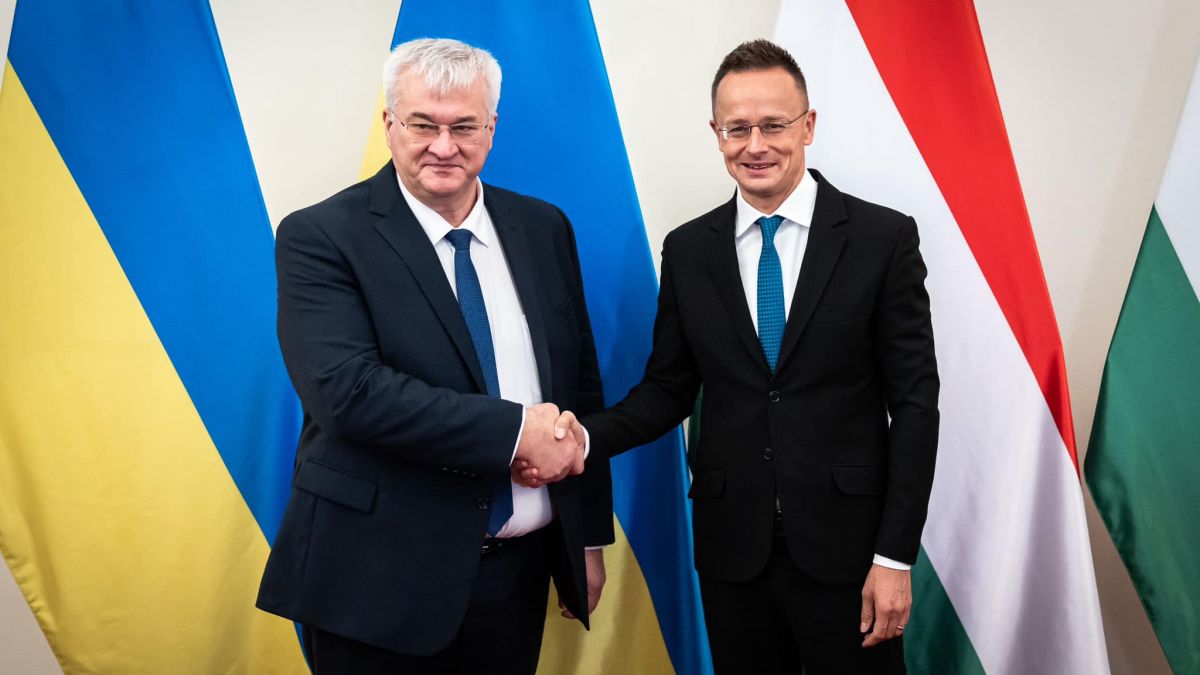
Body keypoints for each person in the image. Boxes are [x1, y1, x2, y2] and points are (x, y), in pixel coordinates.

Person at [531, 39, 939, 674]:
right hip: (732, 554)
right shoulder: (689, 250)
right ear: (716, 133)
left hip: (851, 554)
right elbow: (667, 390)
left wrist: (894, 556)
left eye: (773, 125)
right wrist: (582, 438)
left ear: (808, 126)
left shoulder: (881, 239)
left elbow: (915, 406)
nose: (755, 145)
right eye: (737, 128)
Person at [256, 37, 613, 675]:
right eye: (423, 124)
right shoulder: (320, 236)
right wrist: (517, 433)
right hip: (376, 579)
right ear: (389, 123)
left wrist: (584, 538)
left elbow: (578, 385)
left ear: (492, 127)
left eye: (464, 126)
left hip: (517, 578)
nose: (443, 146)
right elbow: (349, 395)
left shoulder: (543, 227)